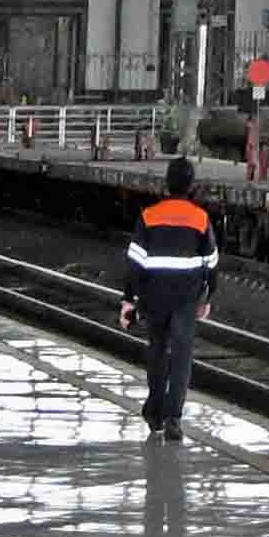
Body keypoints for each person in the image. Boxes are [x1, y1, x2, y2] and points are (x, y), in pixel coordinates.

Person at [118, 158, 217, 439]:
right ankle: (174, 418)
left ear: (167, 184)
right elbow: (211, 262)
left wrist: (129, 299)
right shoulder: (200, 218)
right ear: (191, 185)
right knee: (182, 355)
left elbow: (135, 262)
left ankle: (155, 413)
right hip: (187, 297)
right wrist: (208, 296)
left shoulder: (149, 216)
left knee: (158, 351)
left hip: (154, 295)